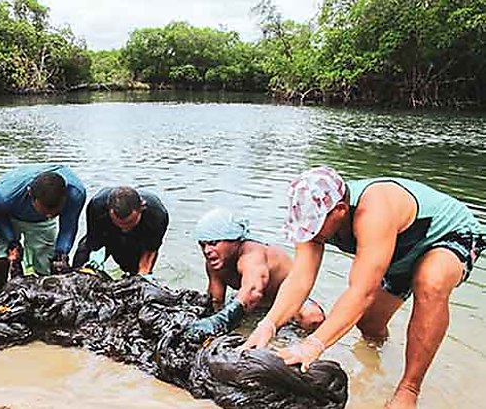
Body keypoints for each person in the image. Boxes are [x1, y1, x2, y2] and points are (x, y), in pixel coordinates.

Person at [241, 166, 485, 409]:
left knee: (430, 282)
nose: (309, 233)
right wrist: (269, 325)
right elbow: (300, 279)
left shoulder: (374, 210)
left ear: (340, 210)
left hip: (445, 235)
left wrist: (312, 345)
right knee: (368, 325)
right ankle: (377, 363)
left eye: (314, 226)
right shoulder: (315, 219)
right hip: (396, 252)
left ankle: (409, 388)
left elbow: (361, 291)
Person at [185, 208, 325, 341]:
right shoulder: (215, 263)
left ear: (234, 240)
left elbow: (253, 291)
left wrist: (220, 321)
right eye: (202, 245)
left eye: (213, 243)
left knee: (313, 318)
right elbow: (216, 301)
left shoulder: (252, 254)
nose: (207, 250)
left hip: (286, 301)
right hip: (252, 304)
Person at [0, 164, 86, 280]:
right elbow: (0, 218)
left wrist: (61, 253)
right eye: (45, 210)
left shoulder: (76, 194)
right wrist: (11, 241)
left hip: (41, 223)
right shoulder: (4, 197)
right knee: (2, 257)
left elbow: (68, 227)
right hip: (9, 215)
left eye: (55, 212)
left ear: (65, 198)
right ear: (30, 194)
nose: (50, 215)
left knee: (47, 262)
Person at [72, 186, 168, 277]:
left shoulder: (157, 215)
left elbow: (150, 250)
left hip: (139, 235)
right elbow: (94, 239)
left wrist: (143, 274)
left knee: (133, 271)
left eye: (130, 222)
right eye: (119, 223)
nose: (124, 228)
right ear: (108, 210)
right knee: (81, 263)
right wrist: (93, 261)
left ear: (141, 209)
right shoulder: (97, 206)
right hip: (107, 231)